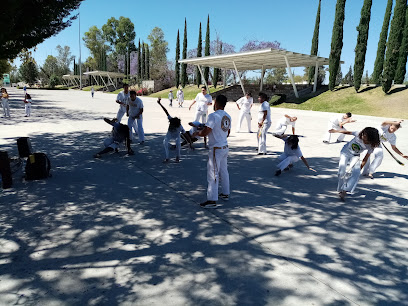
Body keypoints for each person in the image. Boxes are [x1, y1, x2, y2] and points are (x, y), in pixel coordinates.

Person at [193, 94, 231, 208]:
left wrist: (197, 133)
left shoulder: (213, 116)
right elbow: (227, 132)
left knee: (212, 173)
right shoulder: (227, 116)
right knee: (224, 172)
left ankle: (212, 200)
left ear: (216, 103)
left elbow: (206, 132)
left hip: (216, 148)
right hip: (224, 146)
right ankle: (225, 193)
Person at [329, 127, 380, 201]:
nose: (362, 136)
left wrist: (359, 168)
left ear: (370, 138)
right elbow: (348, 132)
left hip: (355, 156)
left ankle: (344, 191)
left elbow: (365, 158)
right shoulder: (358, 134)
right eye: (363, 134)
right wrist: (336, 131)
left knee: (356, 173)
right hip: (345, 152)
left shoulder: (371, 146)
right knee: (341, 171)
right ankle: (340, 188)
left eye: (365, 136)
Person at [157, 98, 192, 163]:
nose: (172, 126)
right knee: (165, 142)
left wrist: (190, 142)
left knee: (178, 143)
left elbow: (185, 135)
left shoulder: (180, 126)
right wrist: (160, 103)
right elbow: (166, 111)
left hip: (176, 136)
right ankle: (167, 158)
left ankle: (177, 157)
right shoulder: (171, 119)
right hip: (169, 134)